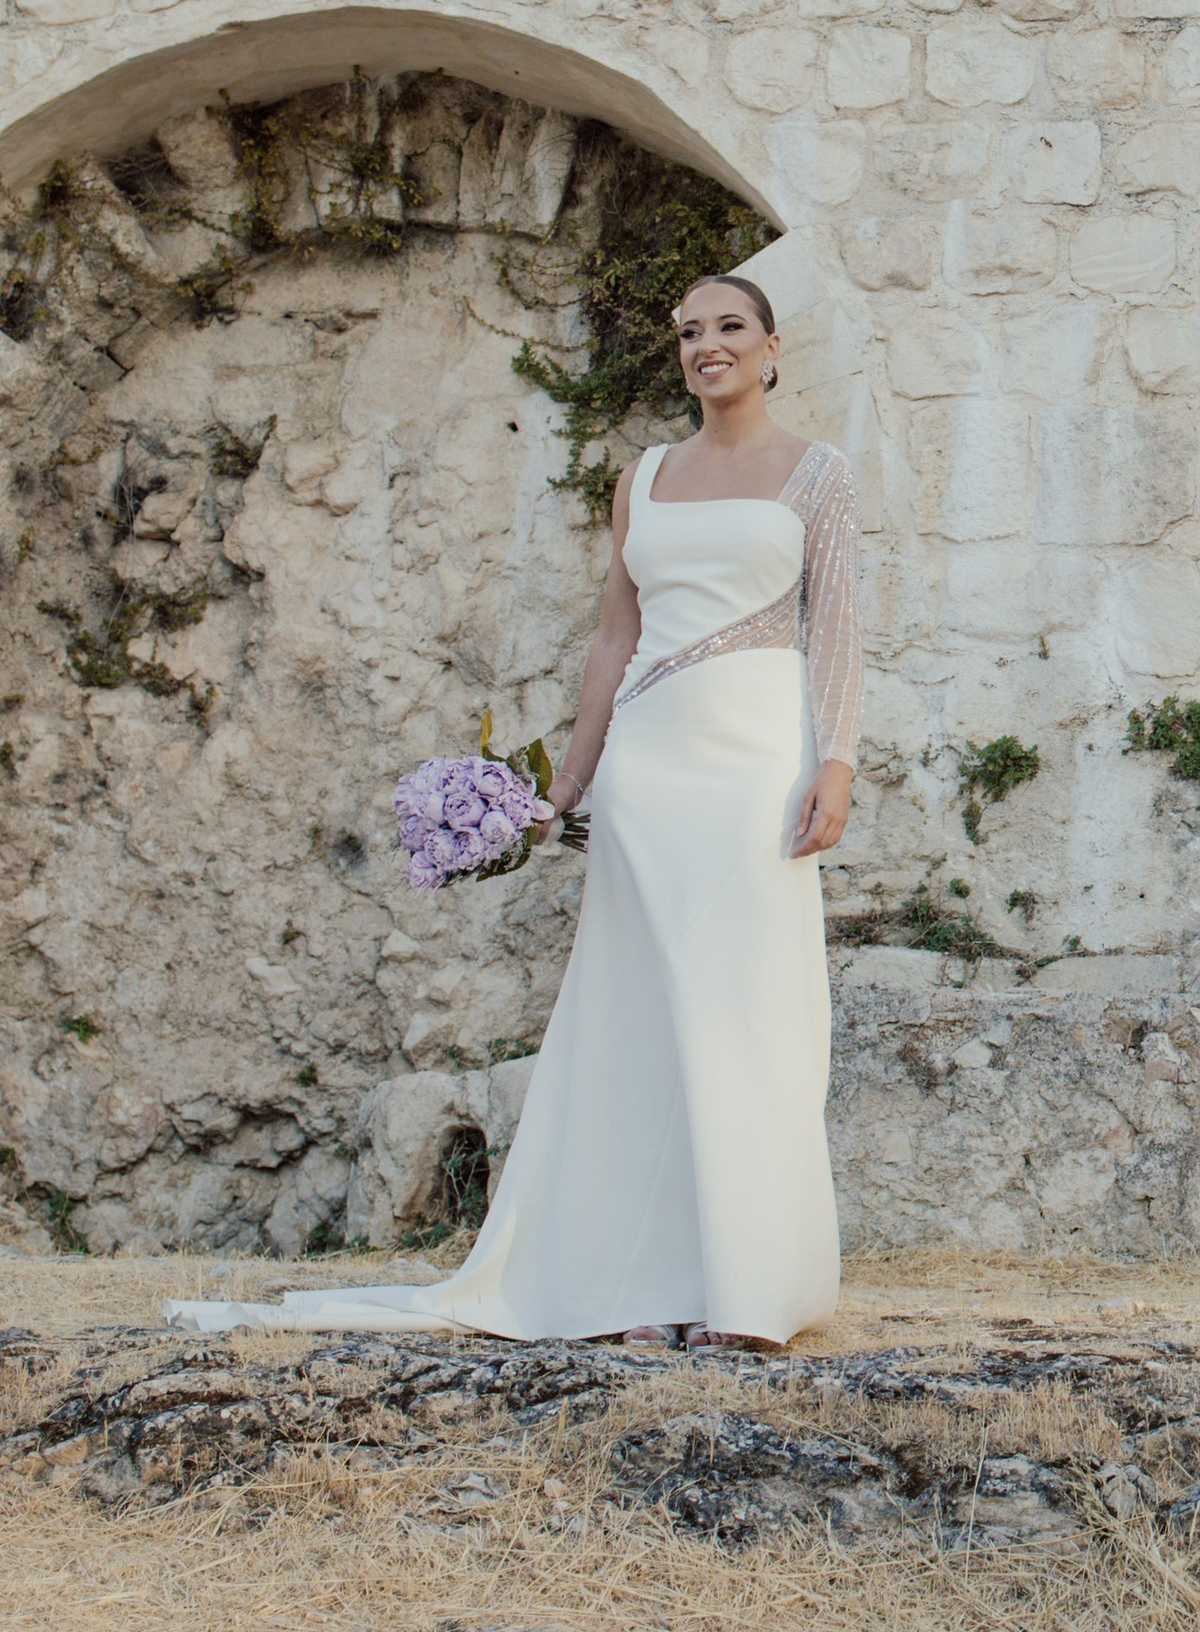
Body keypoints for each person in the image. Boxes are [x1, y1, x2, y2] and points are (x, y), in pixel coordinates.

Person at [167, 275, 859, 1350]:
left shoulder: (818, 475)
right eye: (687, 333)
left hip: (757, 764)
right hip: (651, 764)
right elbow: (612, 639)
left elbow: (840, 632)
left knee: (747, 1012)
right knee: (635, 1021)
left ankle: (748, 1289)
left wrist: (840, 763)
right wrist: (566, 786)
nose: (706, 346)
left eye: (728, 328)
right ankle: (640, 1284)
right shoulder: (647, 476)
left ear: (771, 345)